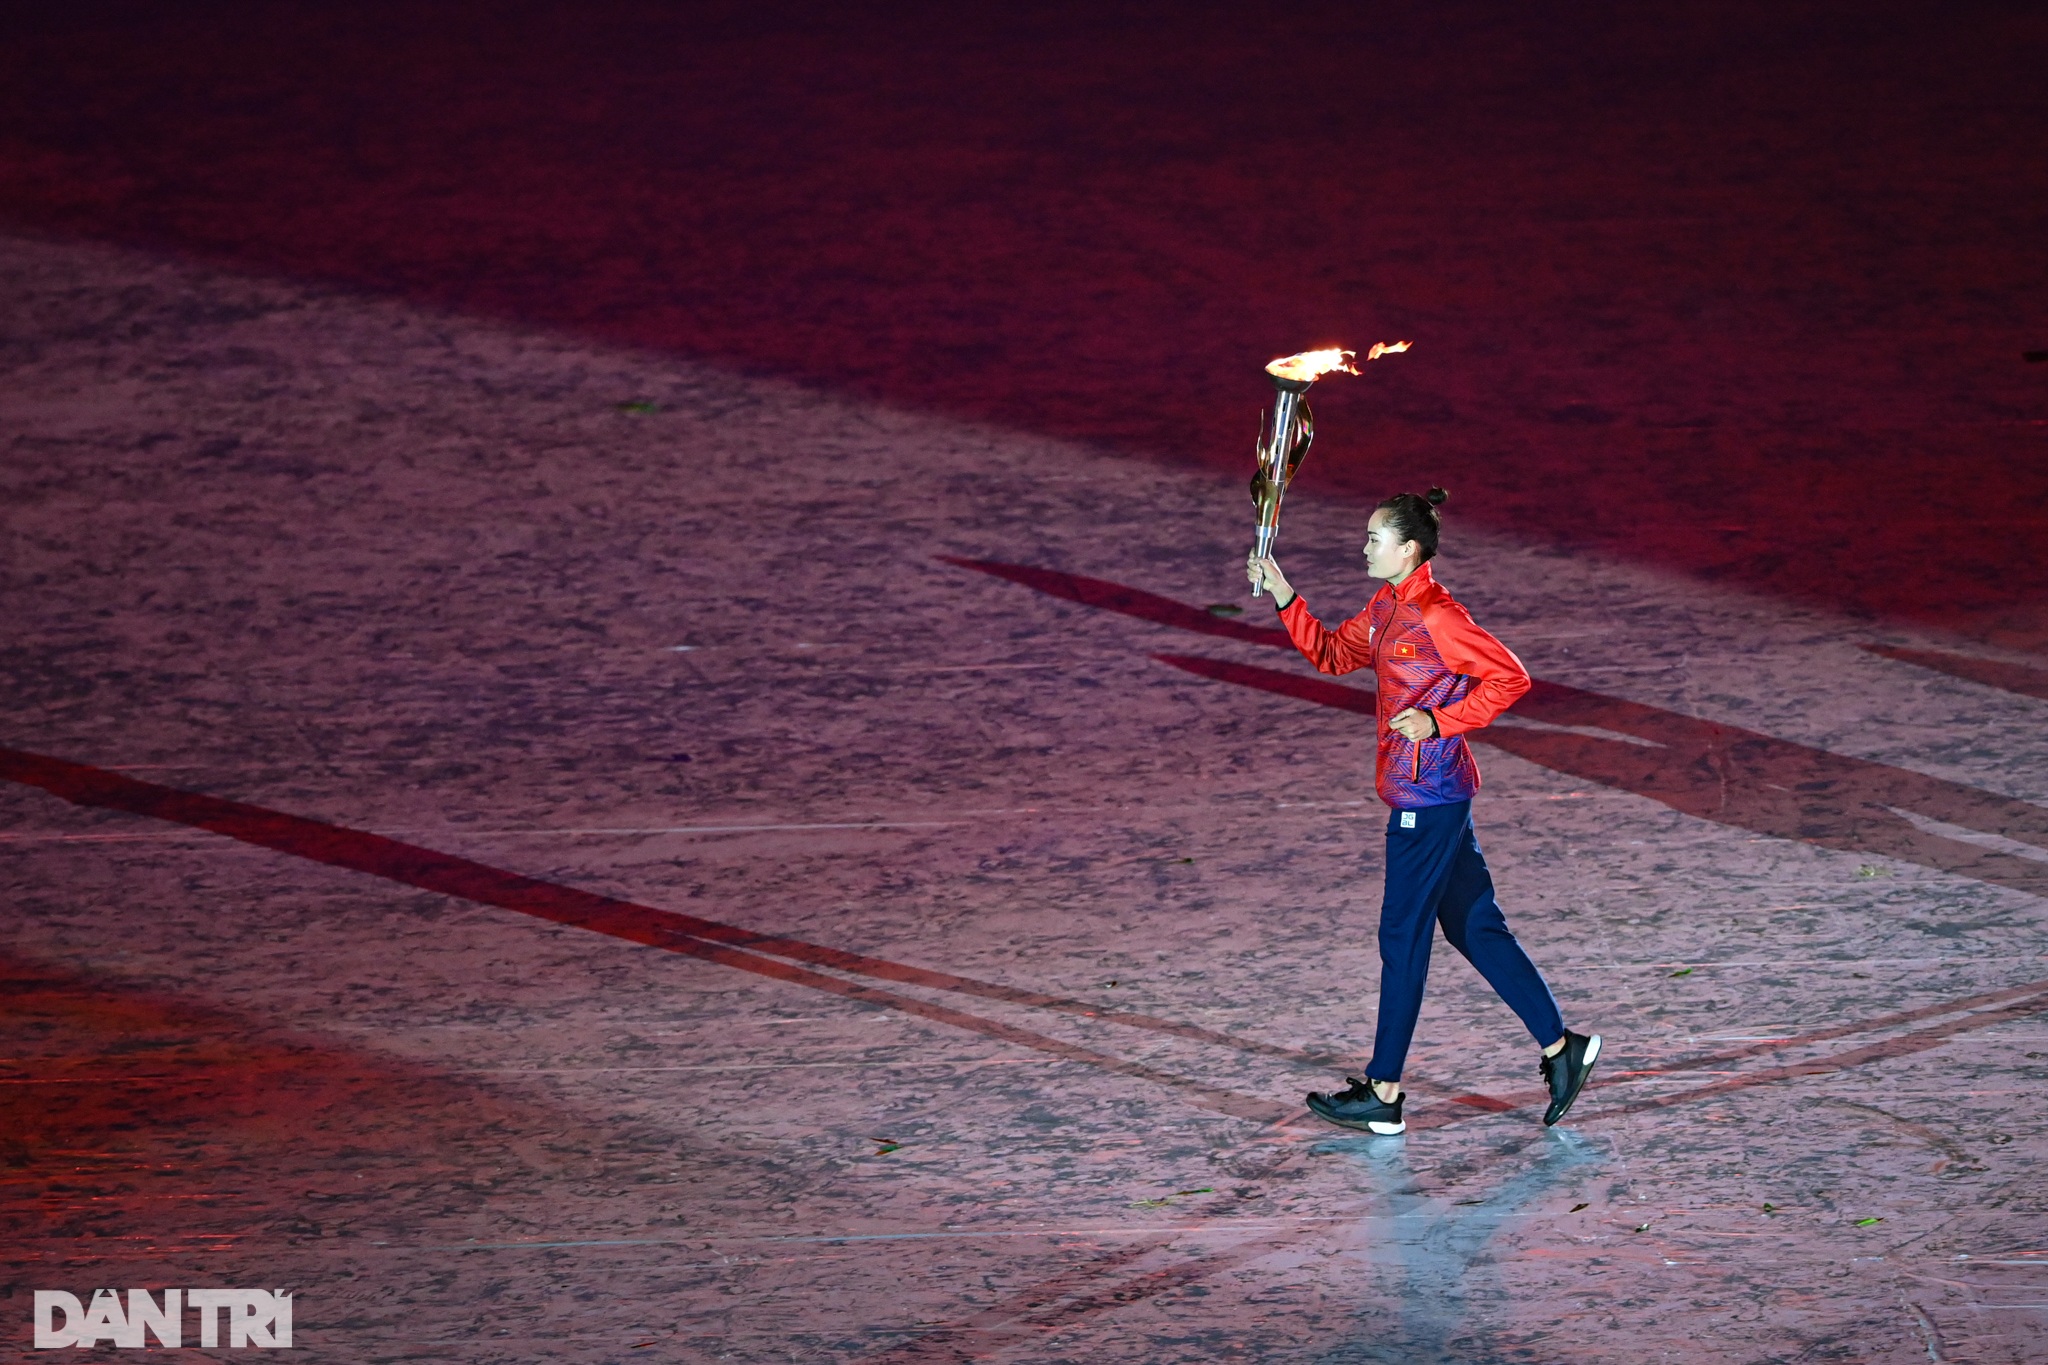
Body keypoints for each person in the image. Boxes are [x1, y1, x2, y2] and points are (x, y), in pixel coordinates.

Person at [1246, 487, 1599, 1134]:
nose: (1364, 547)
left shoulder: (1439, 615)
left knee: (1402, 937)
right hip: (1434, 795)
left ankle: (1383, 1091)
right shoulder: (1386, 606)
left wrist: (1440, 721)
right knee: (1471, 924)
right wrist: (1284, 594)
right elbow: (1329, 654)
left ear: (1408, 549)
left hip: (1427, 799)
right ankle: (1562, 1045)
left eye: (1375, 538)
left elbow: (1511, 677)